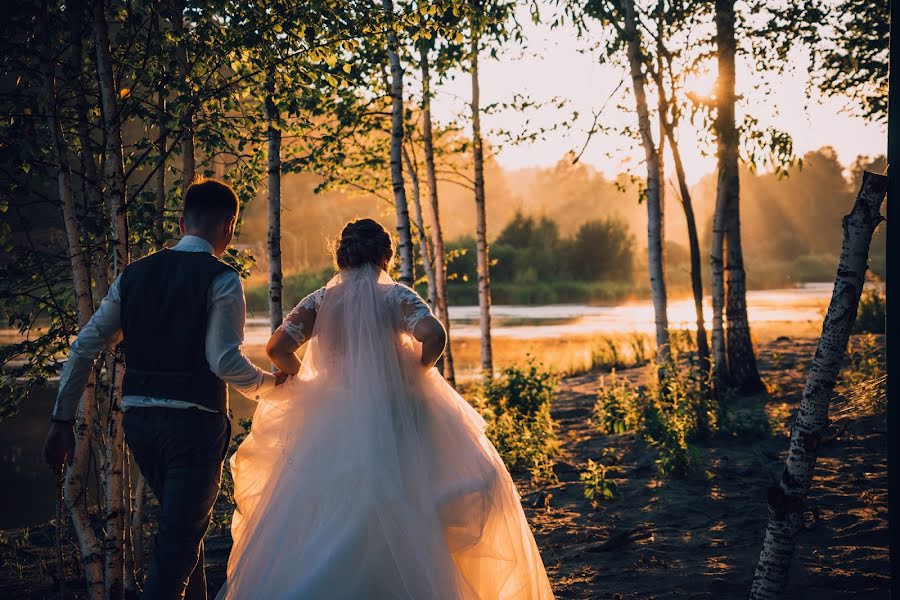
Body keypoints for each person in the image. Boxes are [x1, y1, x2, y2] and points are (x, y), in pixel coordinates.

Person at [218, 218, 554, 599]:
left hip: (332, 413)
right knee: (407, 492)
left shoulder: (321, 300)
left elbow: (277, 347)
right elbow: (434, 335)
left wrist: (303, 378)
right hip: (395, 410)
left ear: (342, 256)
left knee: (331, 501)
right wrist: (416, 368)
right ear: (385, 255)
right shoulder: (396, 297)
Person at [43, 178, 286, 600]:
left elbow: (84, 347)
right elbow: (224, 361)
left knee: (182, 542)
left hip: (140, 422)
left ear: (180, 222)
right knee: (176, 550)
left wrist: (61, 419)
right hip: (194, 427)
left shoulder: (133, 275)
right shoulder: (221, 278)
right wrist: (273, 387)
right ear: (229, 227)